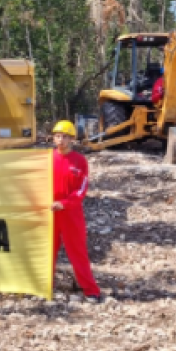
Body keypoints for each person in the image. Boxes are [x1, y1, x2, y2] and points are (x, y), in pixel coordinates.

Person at [50, 121, 102, 303]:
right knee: (47, 251)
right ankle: (45, 285)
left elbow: (82, 188)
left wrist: (64, 203)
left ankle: (90, 290)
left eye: (65, 137)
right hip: (49, 213)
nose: (61, 140)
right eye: (58, 136)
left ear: (72, 139)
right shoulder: (47, 158)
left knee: (78, 252)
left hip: (70, 214)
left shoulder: (80, 161)